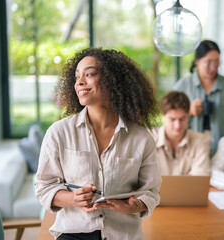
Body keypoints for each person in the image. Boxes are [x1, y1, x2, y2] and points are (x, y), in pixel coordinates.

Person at [35, 48, 161, 239]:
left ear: (113, 80)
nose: (80, 82)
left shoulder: (141, 139)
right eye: (77, 77)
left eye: (90, 74)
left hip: (123, 234)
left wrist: (133, 207)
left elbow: (150, 192)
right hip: (74, 234)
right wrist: (73, 199)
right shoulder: (59, 133)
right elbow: (44, 186)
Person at [150, 90, 210, 176]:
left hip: (190, 190)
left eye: (182, 119)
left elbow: (200, 177)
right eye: (172, 119)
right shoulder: (150, 139)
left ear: (188, 116)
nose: (177, 125)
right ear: (163, 116)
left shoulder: (200, 140)